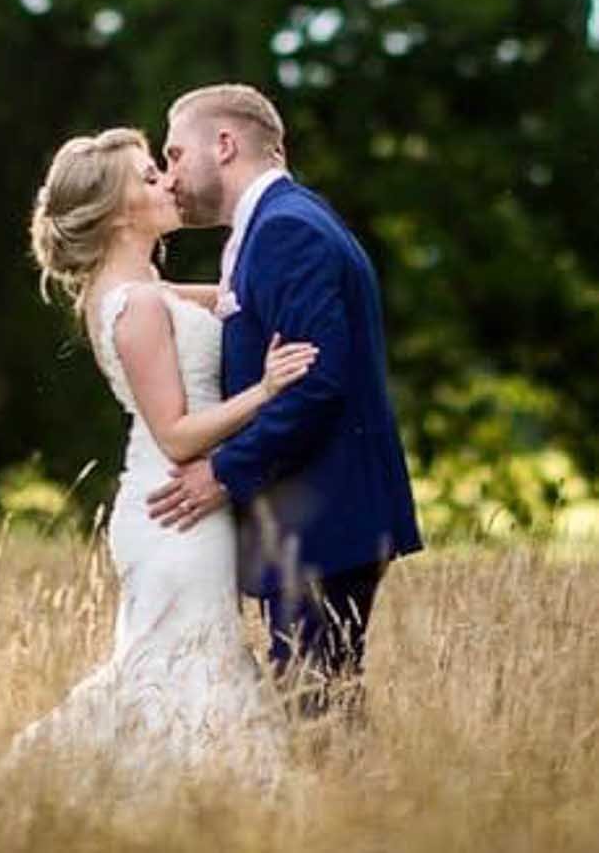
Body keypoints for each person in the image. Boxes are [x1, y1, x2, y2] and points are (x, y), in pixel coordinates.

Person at [9, 126, 312, 781]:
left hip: (169, 505)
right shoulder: (136, 303)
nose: (167, 181)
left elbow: (219, 301)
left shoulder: (138, 287)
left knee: (184, 662)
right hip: (174, 509)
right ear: (120, 212)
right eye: (148, 177)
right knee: (185, 666)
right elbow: (175, 434)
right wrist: (266, 388)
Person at [147, 83, 421, 720]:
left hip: (324, 519)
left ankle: (350, 820)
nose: (170, 174)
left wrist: (222, 472)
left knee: (316, 714)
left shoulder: (286, 230)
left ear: (224, 144)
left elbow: (315, 383)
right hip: (314, 517)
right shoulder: (276, 223)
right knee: (320, 708)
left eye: (176, 153)